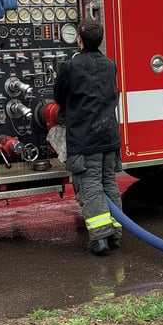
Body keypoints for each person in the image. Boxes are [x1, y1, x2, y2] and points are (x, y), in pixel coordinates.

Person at [53, 17, 122, 255]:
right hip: (109, 136)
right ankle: (115, 234)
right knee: (109, 182)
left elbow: (59, 95)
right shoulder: (110, 64)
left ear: (79, 40)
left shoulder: (71, 67)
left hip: (85, 139)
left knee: (90, 184)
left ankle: (100, 238)